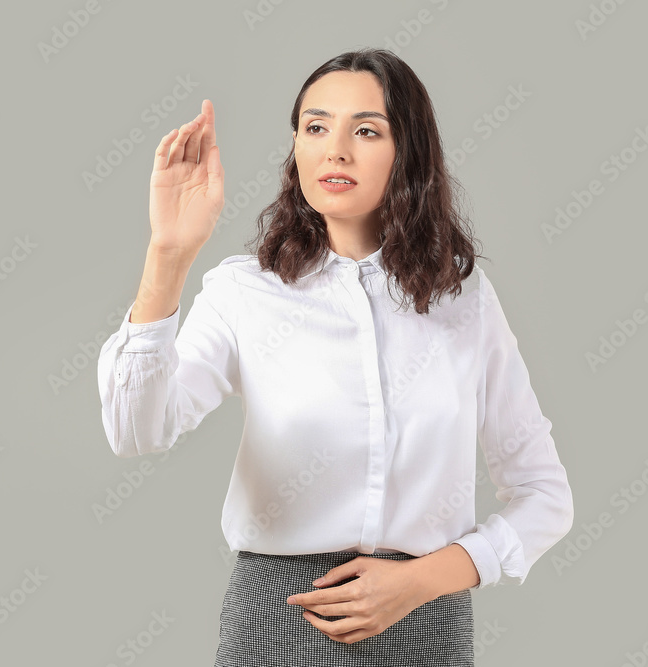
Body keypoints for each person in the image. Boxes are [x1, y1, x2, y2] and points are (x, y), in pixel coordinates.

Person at [97, 48, 574, 666]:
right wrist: (168, 255)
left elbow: (545, 494)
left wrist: (419, 582)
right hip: (277, 617)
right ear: (295, 147)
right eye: (315, 127)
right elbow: (136, 431)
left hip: (425, 627)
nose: (336, 150)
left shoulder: (464, 301)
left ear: (410, 153)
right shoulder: (247, 291)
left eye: (367, 130)